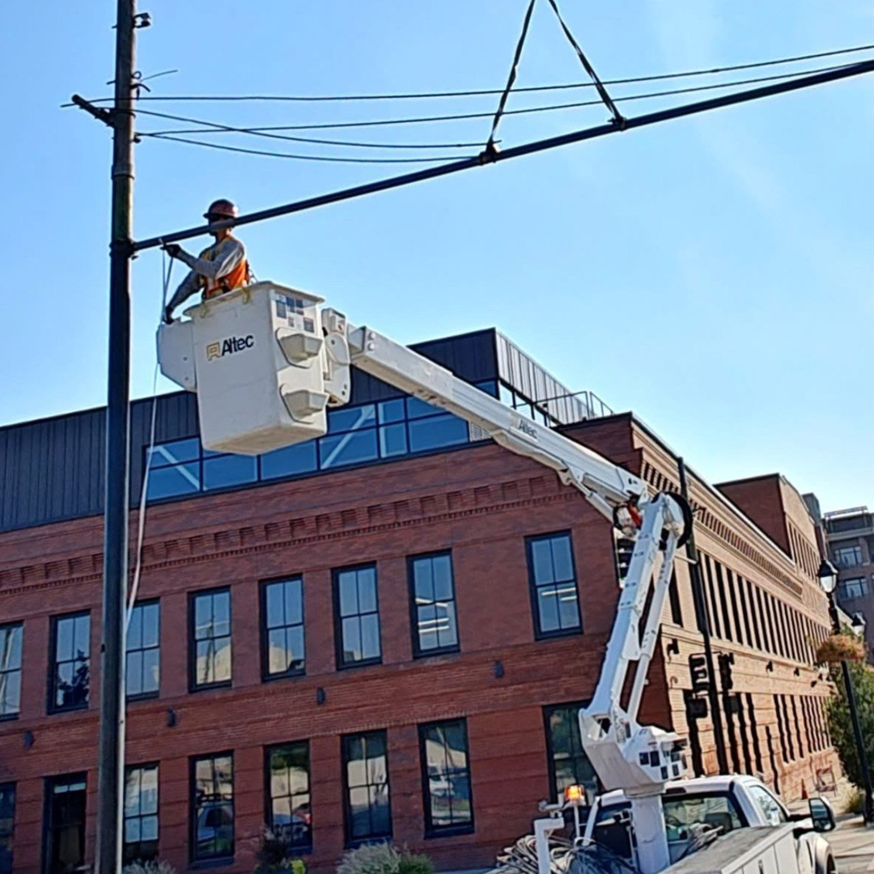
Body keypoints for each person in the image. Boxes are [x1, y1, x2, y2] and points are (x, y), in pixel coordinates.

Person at [162, 199, 250, 322]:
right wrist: (171, 306)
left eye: (213, 219)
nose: (209, 223)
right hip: (213, 307)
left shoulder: (233, 247)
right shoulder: (206, 254)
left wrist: (181, 254)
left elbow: (215, 270)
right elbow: (190, 284)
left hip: (233, 304)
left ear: (227, 222)